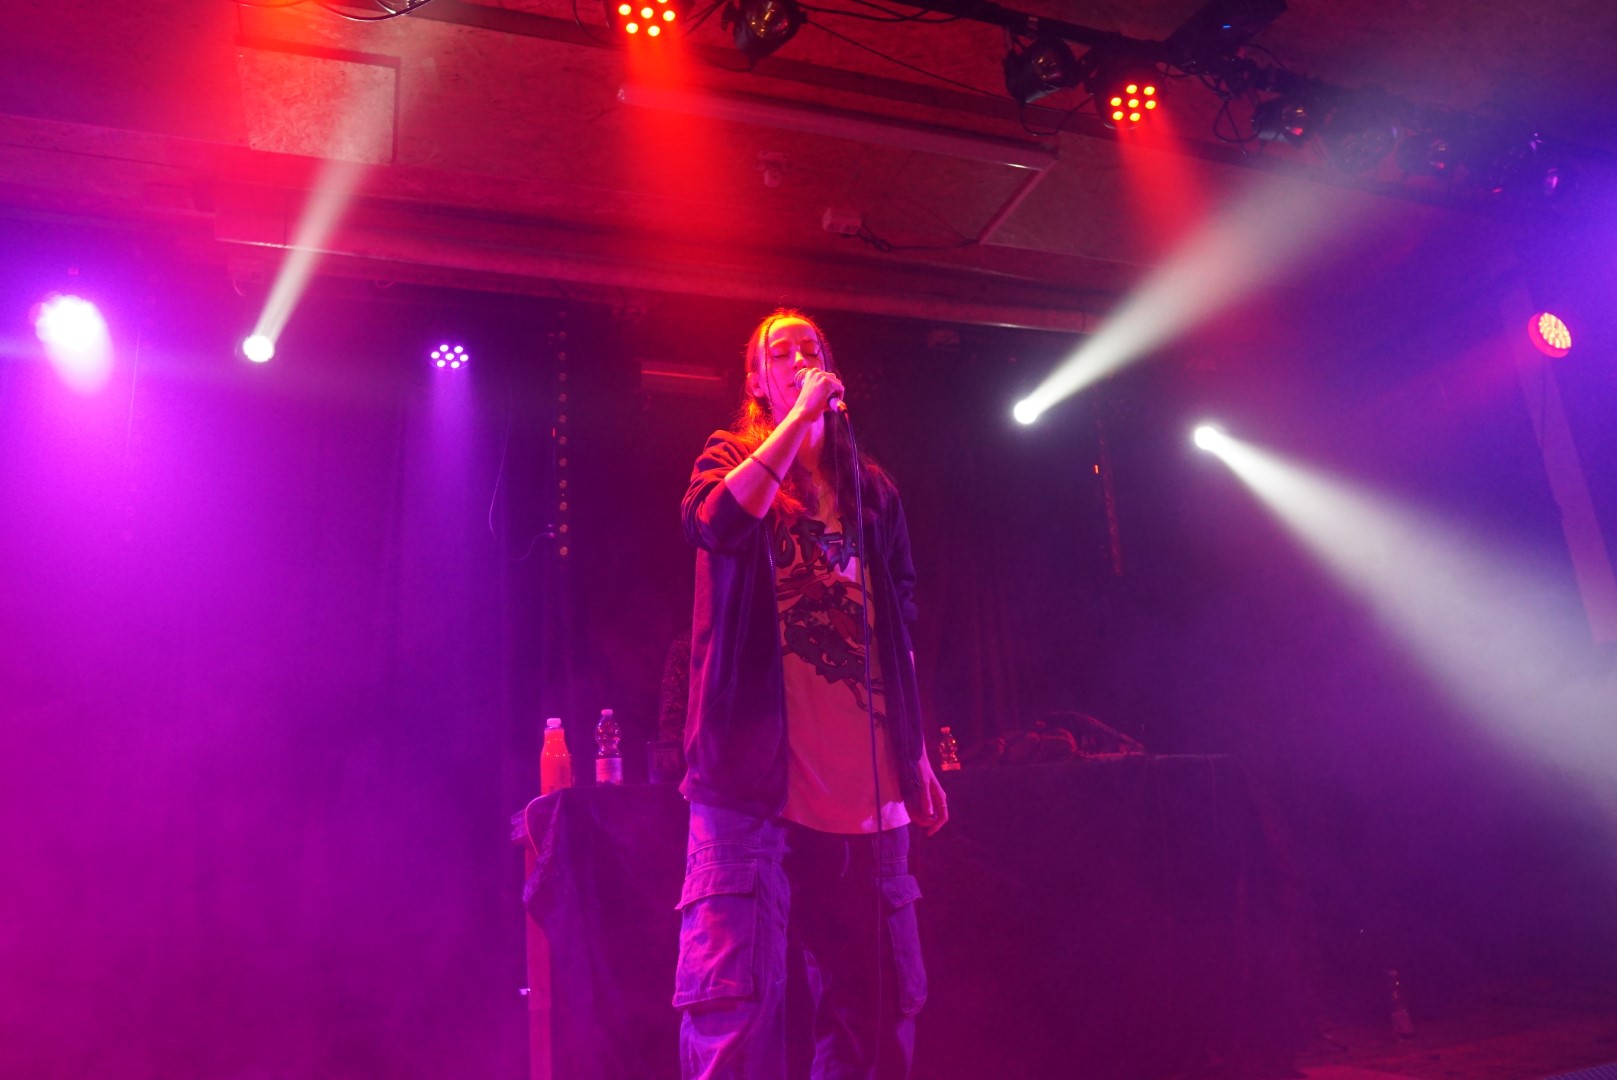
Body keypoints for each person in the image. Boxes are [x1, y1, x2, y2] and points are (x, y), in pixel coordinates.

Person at [674, 309, 948, 1080]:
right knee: (734, 1012)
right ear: (758, 380)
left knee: (875, 1014)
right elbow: (716, 523)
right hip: (752, 789)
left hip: (867, 792)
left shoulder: (872, 491)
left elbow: (898, 624)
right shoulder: (730, 456)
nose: (796, 359)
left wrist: (914, 751)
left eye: (810, 349)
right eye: (779, 353)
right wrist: (796, 421)